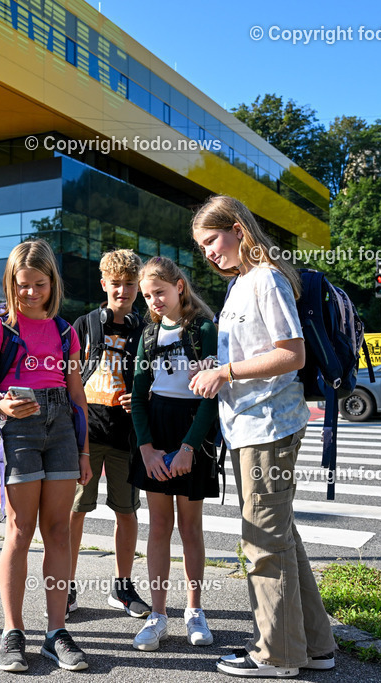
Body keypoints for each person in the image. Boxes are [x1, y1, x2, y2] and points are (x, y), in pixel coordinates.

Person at [189, 195, 337, 678]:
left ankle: (278, 655)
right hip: (252, 427)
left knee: (262, 544)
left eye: (212, 239)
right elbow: (259, 354)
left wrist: (227, 371)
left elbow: (290, 354)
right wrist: (219, 370)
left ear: (238, 228)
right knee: (281, 539)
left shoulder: (266, 277)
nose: (208, 252)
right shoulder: (242, 284)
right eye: (202, 246)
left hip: (268, 428)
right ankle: (315, 645)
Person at [0, 239, 93, 673]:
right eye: (22, 285)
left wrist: (84, 450)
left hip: (61, 426)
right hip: (16, 428)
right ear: (11, 283)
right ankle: (12, 632)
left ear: (52, 282)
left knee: (58, 531)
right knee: (20, 530)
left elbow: (77, 395)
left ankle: (56, 632)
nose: (30, 293)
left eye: (40, 284)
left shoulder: (66, 331)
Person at [128, 256, 219, 652]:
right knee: (159, 526)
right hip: (158, 430)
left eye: (159, 292)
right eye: (147, 296)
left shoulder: (203, 329)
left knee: (190, 528)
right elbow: (138, 394)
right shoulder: (149, 334)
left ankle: (195, 611)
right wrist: (147, 449)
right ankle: (158, 614)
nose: (153, 301)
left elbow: (212, 397)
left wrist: (189, 449)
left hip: (192, 431)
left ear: (179, 286)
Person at [69, 249, 151, 620]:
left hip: (125, 437)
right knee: (75, 511)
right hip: (87, 435)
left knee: (127, 512)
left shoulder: (147, 329)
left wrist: (145, 397)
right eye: (115, 284)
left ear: (138, 287)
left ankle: (121, 587)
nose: (122, 291)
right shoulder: (85, 324)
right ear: (104, 284)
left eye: (129, 284)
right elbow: (68, 375)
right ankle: (65, 584)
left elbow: (157, 377)